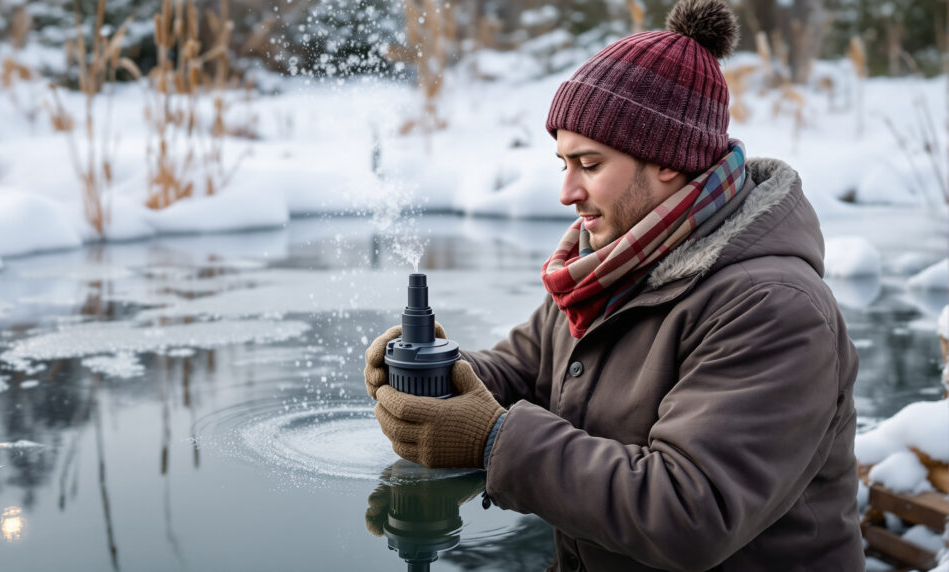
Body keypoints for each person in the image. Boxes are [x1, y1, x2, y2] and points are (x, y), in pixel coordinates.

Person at [364, 0, 864, 569]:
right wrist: (437, 373)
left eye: (590, 164)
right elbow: (526, 371)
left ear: (668, 161)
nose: (567, 192)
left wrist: (491, 440)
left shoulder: (772, 308)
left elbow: (689, 512)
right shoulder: (607, 267)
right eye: (563, 164)